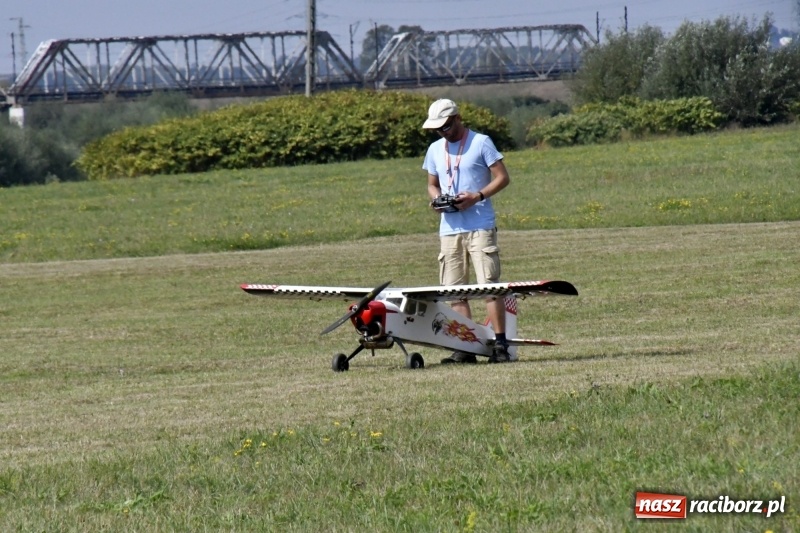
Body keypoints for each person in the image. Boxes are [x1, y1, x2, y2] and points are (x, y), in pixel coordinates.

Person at [421, 98, 512, 364]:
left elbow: (503, 177)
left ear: (458, 119)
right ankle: (466, 346)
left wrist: (478, 195)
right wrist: (437, 199)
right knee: (453, 289)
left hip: (480, 225)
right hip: (449, 228)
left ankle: (501, 345)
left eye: (446, 127)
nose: (443, 133)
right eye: (438, 129)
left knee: (488, 285)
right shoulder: (435, 149)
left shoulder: (481, 142)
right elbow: (431, 184)